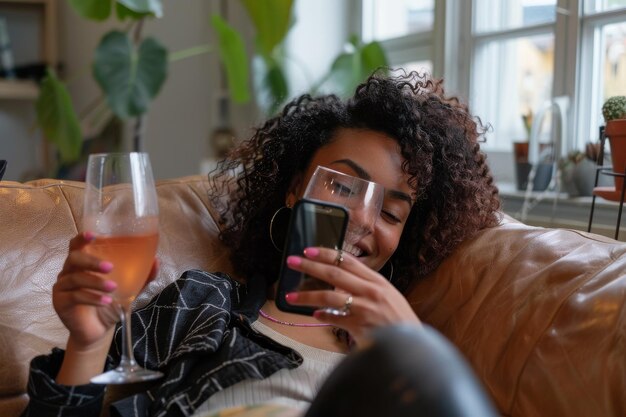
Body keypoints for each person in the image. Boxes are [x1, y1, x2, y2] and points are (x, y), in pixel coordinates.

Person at [21, 70, 501, 417]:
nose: (361, 219)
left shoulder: (414, 354)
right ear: (294, 189)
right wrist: (87, 344)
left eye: (391, 213)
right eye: (341, 186)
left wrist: (408, 347)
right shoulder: (202, 304)